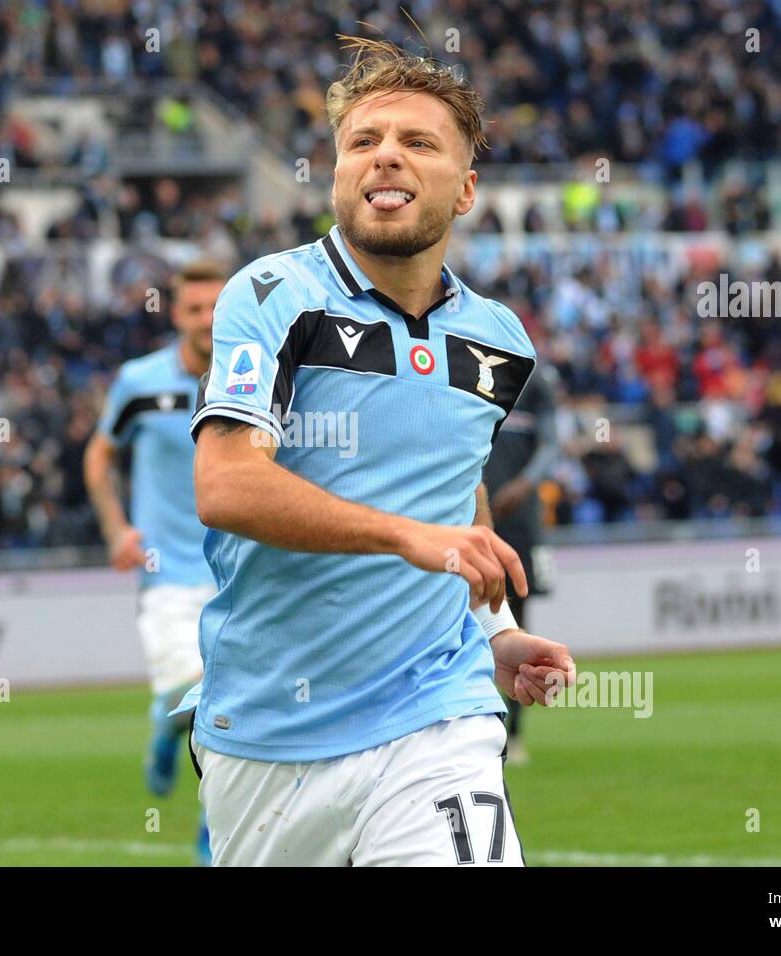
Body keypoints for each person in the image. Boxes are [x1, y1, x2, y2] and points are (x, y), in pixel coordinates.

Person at [177, 37, 575, 866]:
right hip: (269, 731)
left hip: (440, 712)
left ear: (466, 190)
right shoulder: (272, 296)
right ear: (336, 174)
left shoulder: (499, 340)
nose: (385, 155)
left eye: (417, 143)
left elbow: (455, 489)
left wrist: (495, 629)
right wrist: (405, 536)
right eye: (363, 141)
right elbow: (225, 485)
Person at [85, 259, 227, 864]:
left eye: (217, 306)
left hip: (237, 574)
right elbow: (99, 454)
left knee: (224, 710)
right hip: (164, 574)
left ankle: (211, 829)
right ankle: (167, 732)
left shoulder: (254, 380)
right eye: (195, 309)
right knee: (194, 696)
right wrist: (117, 529)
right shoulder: (139, 383)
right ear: (176, 315)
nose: (207, 319)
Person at [482, 363, 561, 760]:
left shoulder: (535, 382)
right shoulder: (460, 364)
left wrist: (526, 483)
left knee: (516, 622)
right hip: (468, 520)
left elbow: (552, 445)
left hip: (519, 524)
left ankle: (514, 730)